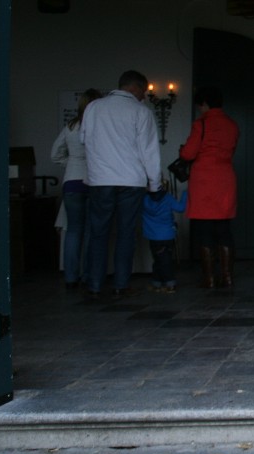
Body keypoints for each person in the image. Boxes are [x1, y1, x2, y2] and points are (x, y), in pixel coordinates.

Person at [82, 70, 161, 300]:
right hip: (131, 180)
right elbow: (149, 151)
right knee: (126, 234)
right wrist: (155, 185)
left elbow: (84, 139)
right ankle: (121, 284)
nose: (144, 97)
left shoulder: (94, 107)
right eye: (144, 92)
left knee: (98, 234)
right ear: (136, 88)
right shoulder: (141, 112)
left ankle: (94, 285)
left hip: (100, 179)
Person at [179, 86, 240, 289]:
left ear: (204, 104)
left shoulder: (201, 124)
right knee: (224, 229)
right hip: (225, 178)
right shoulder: (232, 125)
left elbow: (188, 154)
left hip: (204, 181)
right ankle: (227, 276)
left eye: (200, 106)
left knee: (204, 230)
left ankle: (209, 278)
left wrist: (183, 149)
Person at [50, 87, 102, 290]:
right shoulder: (100, 126)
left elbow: (55, 154)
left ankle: (70, 277)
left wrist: (71, 163)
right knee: (91, 231)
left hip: (72, 181)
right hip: (94, 180)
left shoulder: (70, 126)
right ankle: (88, 276)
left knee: (73, 231)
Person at [143, 180, 187, 293]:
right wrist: (185, 193)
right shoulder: (167, 197)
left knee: (158, 260)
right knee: (165, 260)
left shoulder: (144, 199)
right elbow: (181, 208)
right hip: (168, 235)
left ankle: (162, 284)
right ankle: (164, 283)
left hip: (153, 236)